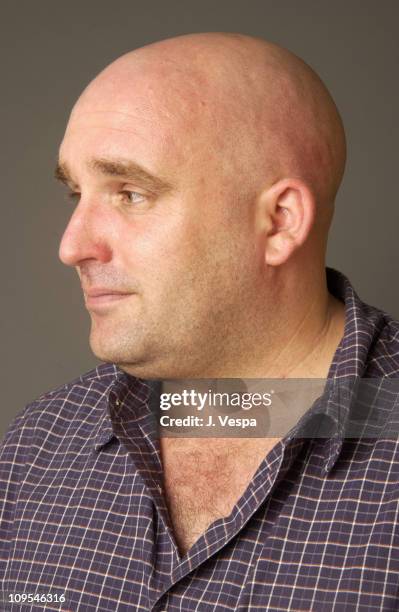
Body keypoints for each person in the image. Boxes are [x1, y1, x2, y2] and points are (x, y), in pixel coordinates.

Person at [1, 32, 398, 611]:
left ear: (280, 223)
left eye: (130, 193)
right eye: (77, 193)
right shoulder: (36, 449)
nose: (72, 246)